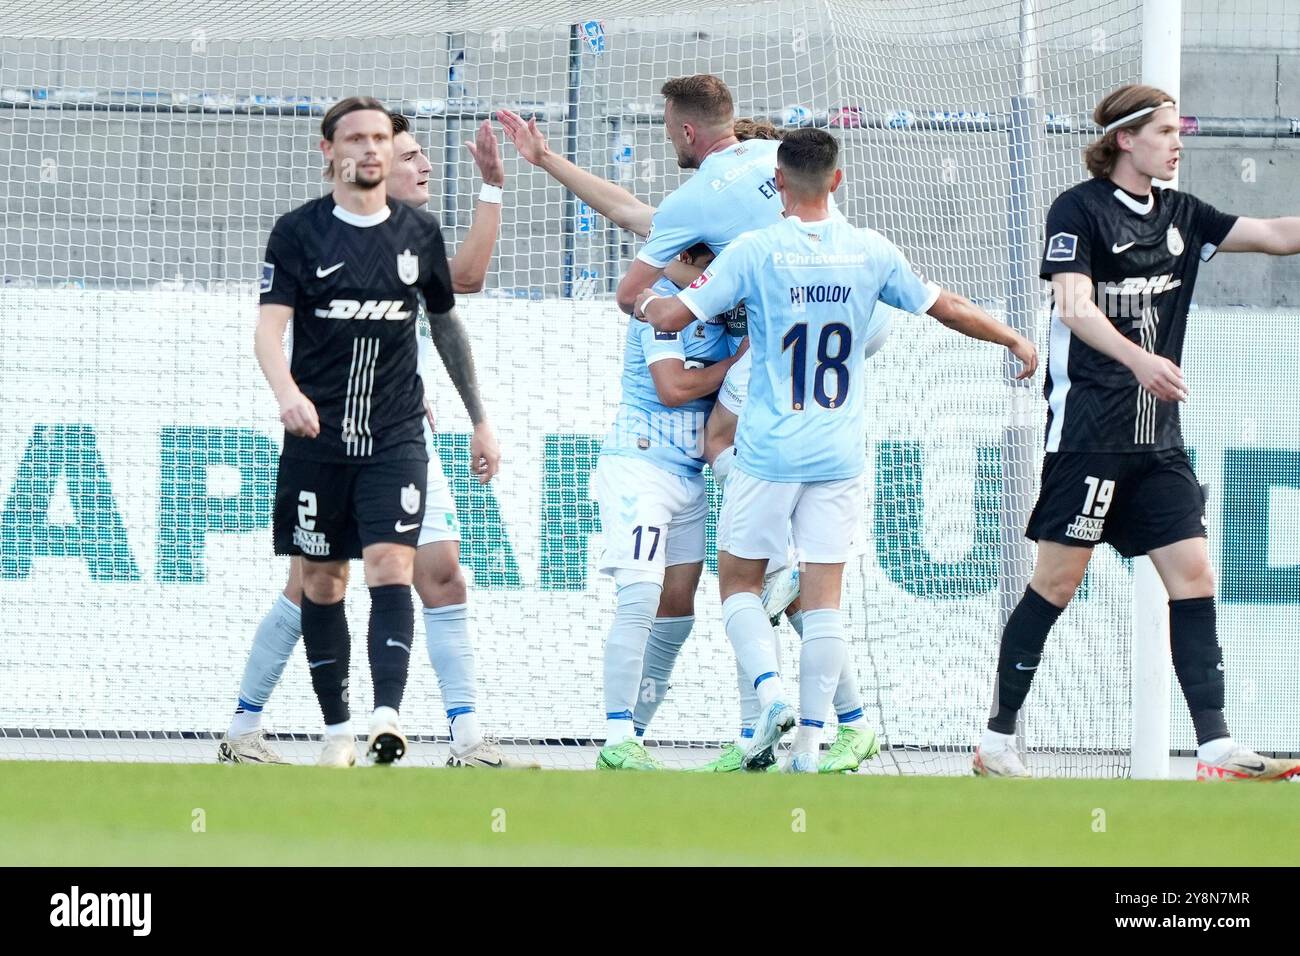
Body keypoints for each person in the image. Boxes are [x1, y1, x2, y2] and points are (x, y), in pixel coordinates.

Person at [638, 128, 1037, 771]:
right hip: (838, 454)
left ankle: (770, 697)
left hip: (767, 450)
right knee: (824, 599)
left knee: (740, 583)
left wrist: (647, 305)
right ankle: (810, 747)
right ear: (837, 180)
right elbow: (948, 307)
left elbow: (675, 317)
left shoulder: (755, 250)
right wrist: (1014, 340)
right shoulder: (869, 250)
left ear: (778, 183)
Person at [973, 83, 1300, 781]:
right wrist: (1140, 359)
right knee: (1057, 584)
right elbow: (1074, 306)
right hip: (1090, 433)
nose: (1178, 143)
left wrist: (1152, 371)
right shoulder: (1080, 208)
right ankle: (996, 742)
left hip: (1158, 440)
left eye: (1179, 130)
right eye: (1164, 132)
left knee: (1195, 573)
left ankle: (1215, 748)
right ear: (1126, 139)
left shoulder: (1183, 212)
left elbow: (1275, 236)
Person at [255, 96, 453, 767]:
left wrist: (479, 418)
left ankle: (386, 718)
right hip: (318, 439)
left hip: (394, 434)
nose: (371, 150)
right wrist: (287, 393)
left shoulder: (419, 234)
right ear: (328, 150)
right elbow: (268, 330)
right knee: (321, 581)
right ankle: (337, 729)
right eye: (357, 139)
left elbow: (448, 321)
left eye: (380, 139)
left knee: (391, 565)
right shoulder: (298, 232)